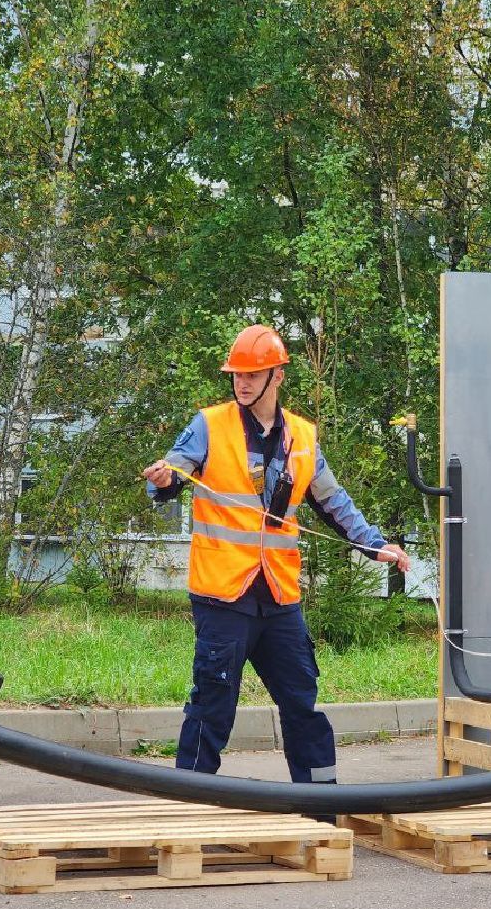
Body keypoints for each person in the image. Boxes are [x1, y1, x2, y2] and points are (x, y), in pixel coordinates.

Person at [143, 324, 411, 795]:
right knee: (212, 704)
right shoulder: (210, 424)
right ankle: (186, 807)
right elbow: (172, 473)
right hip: (224, 595)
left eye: (253, 375)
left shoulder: (303, 437)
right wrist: (164, 480)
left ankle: (322, 803)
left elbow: (334, 502)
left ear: (277, 376)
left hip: (279, 598)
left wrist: (376, 544)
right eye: (236, 375)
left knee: (302, 702)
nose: (241, 383)